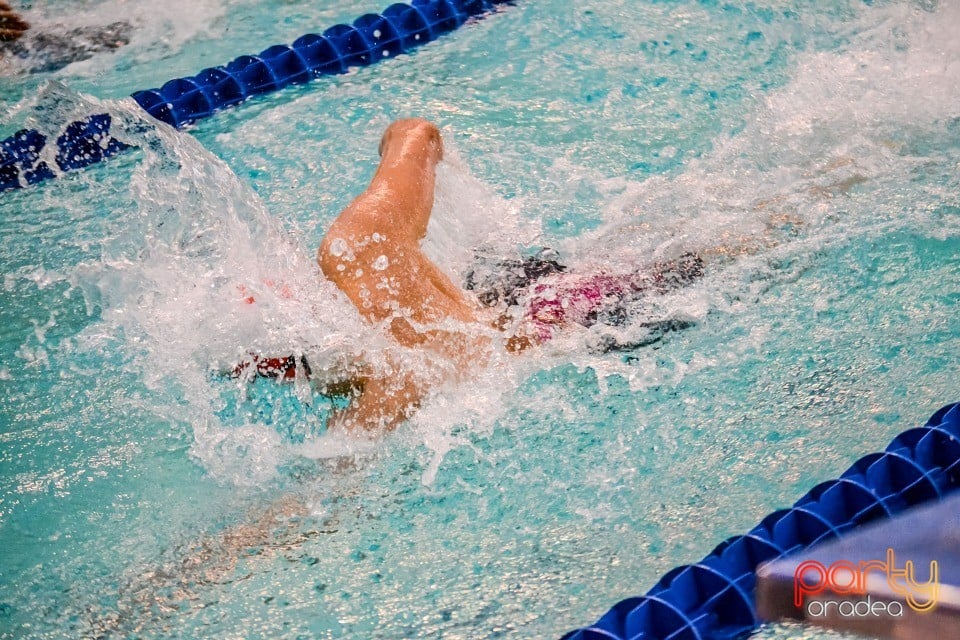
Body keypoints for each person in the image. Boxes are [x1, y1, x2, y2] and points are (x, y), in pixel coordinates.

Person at [237, 118, 706, 431]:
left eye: (275, 370)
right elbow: (414, 132)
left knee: (716, 254)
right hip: (504, 297)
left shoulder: (364, 254)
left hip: (568, 315)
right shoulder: (362, 252)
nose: (277, 381)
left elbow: (417, 133)